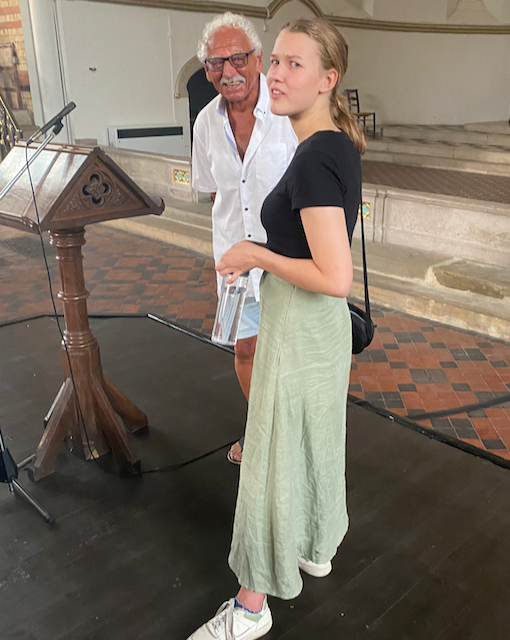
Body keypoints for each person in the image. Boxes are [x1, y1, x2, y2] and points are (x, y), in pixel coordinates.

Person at [186, 17, 365, 640]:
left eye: (295, 64)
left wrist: (256, 253)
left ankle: (251, 607)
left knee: (267, 460)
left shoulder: (313, 158)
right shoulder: (334, 143)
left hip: (297, 323)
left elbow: (334, 275)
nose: (279, 76)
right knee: (318, 441)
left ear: (328, 78)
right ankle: (316, 545)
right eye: (280, 62)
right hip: (319, 329)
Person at [191, 12, 297, 464]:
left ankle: (291, 438)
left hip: (286, 263)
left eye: (238, 58)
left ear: (258, 59)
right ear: (207, 70)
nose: (229, 71)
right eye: (216, 62)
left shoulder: (289, 114)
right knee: (247, 349)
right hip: (235, 267)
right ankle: (263, 431)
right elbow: (215, 191)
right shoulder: (205, 123)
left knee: (290, 352)